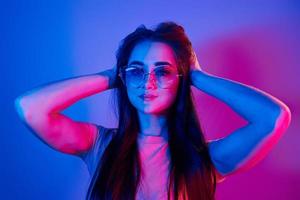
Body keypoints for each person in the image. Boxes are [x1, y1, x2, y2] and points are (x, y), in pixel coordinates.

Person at [15, 21, 291, 200]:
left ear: (180, 79)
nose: (147, 83)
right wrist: (113, 75)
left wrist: (197, 76)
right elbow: (30, 107)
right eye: (137, 71)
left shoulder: (206, 159)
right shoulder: (99, 144)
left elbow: (274, 118)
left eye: (163, 72)